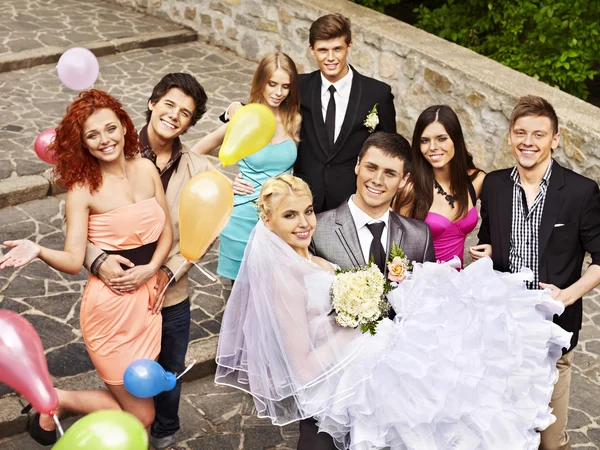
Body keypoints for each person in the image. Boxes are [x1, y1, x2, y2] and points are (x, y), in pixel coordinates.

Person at [215, 173, 572, 450]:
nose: (305, 222)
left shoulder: (312, 260)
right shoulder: (282, 278)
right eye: (289, 215)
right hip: (349, 381)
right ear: (268, 222)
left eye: (307, 211)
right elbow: (303, 366)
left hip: (371, 360)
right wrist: (361, 327)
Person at [0, 90, 173, 445]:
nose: (104, 140)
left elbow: (167, 232)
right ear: (83, 144)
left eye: (110, 129)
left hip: (148, 304)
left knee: (138, 405)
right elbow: (73, 260)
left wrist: (152, 268)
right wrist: (39, 250)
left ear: (124, 127)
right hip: (110, 310)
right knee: (142, 414)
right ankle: (58, 399)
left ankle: (58, 402)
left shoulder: (146, 167)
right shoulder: (82, 189)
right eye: (92, 135)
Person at [82, 74, 212, 450]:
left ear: (190, 123)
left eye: (185, 113)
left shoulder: (200, 170)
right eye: (169, 104)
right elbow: (74, 223)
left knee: (169, 371)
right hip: (120, 297)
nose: (174, 116)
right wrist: (97, 259)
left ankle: (164, 435)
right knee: (127, 382)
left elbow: (203, 233)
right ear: (153, 103)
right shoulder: (111, 147)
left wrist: (167, 272)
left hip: (169, 296)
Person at [472, 95, 600, 450]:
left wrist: (568, 295)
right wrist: (491, 252)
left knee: (549, 442)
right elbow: (492, 238)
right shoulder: (495, 186)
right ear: (511, 136)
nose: (528, 142)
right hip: (502, 330)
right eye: (521, 133)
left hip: (552, 334)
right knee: (502, 433)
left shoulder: (580, 192)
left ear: (554, 139)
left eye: (539, 134)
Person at [304, 131, 434, 449]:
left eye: (389, 173)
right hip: (331, 381)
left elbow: (426, 311)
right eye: (371, 167)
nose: (377, 180)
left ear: (403, 180)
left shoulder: (419, 236)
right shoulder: (316, 229)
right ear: (357, 166)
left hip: (394, 390)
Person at [222, 13, 397, 213]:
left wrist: (389, 202)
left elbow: (391, 152)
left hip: (353, 204)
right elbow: (263, 107)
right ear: (312, 50)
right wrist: (234, 107)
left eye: (337, 49)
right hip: (302, 203)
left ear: (349, 46)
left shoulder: (377, 93)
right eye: (323, 50)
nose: (330, 58)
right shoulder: (299, 86)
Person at [192, 52, 300, 282]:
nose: (278, 92)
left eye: (285, 86)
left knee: (275, 291)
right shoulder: (243, 118)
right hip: (243, 214)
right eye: (272, 84)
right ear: (260, 81)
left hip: (281, 217)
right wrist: (225, 181)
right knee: (240, 293)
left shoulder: (295, 120)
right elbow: (195, 152)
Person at [392, 105, 485, 266]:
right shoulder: (411, 189)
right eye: (425, 141)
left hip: (458, 283)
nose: (433, 147)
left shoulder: (476, 180)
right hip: (420, 283)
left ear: (455, 139)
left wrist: (491, 246)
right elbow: (395, 247)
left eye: (441, 138)